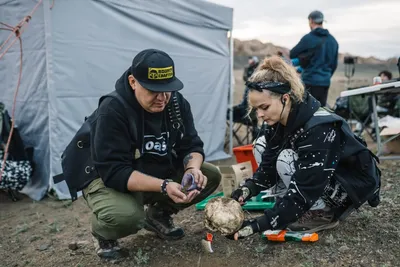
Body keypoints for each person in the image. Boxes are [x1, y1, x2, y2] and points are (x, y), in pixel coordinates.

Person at [81, 49, 221, 259]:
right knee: (127, 217)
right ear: (133, 82)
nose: (162, 98)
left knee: (209, 174)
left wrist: (192, 168)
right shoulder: (113, 109)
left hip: (150, 168)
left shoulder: (176, 103)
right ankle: (104, 233)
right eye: (153, 90)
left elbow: (192, 145)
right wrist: (164, 186)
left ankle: (158, 215)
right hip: (106, 176)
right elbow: (114, 171)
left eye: (167, 90)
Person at [229, 56, 380, 240]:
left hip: (349, 184)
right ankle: (287, 206)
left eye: (264, 107)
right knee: (260, 144)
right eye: (256, 109)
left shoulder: (318, 128)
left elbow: (305, 189)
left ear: (285, 98)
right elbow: (268, 166)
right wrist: (248, 189)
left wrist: (259, 224)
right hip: (318, 178)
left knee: (285, 157)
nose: (259, 115)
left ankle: (321, 213)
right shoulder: (279, 120)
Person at [289, 10, 339, 107]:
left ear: (311, 21)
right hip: (325, 83)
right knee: (320, 111)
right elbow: (334, 65)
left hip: (309, 81)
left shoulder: (308, 38)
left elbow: (292, 53)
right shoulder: (333, 41)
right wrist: (326, 76)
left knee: (307, 112)